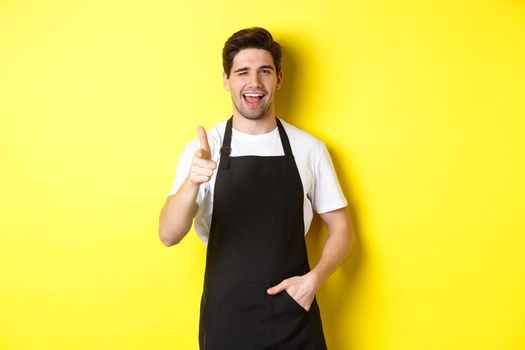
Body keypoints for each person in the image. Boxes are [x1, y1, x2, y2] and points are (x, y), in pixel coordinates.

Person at [159, 27, 354, 350]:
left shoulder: (309, 148)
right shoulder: (204, 149)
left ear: (279, 79)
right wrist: (192, 182)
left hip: (294, 315)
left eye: (265, 71)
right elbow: (168, 234)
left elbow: (343, 229)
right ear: (226, 80)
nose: (254, 83)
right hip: (226, 319)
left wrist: (313, 281)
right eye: (242, 72)